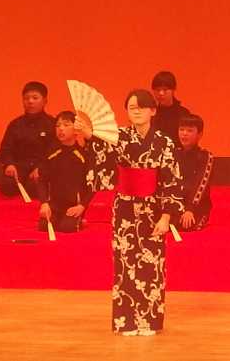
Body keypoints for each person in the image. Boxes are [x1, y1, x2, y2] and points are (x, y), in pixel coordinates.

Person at [80, 90, 183, 336]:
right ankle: (126, 321)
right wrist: (89, 135)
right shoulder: (118, 136)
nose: (136, 111)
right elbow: (103, 156)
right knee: (125, 264)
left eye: (141, 107)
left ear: (153, 111)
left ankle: (150, 321)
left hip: (153, 208)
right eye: (131, 107)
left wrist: (166, 216)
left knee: (152, 265)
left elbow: (171, 180)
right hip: (125, 207)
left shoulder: (164, 142)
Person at [0, 81, 55, 199]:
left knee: (34, 189)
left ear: (45, 101)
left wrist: (42, 168)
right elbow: (5, 149)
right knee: (7, 186)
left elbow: (55, 152)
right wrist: (9, 164)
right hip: (20, 168)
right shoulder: (15, 124)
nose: (30, 101)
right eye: (26, 98)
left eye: (35, 98)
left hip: (41, 168)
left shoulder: (52, 124)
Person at [38, 111, 93, 233]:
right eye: (58, 125)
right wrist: (44, 203)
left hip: (74, 206)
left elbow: (92, 184)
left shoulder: (83, 156)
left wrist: (82, 206)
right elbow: (42, 180)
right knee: (44, 226)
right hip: (54, 205)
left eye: (66, 125)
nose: (61, 129)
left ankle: (79, 220)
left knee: (67, 228)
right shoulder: (51, 154)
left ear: (76, 130)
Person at [174, 114, 214, 232]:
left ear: (199, 134)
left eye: (190, 130)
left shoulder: (206, 156)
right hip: (176, 203)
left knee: (188, 225)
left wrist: (190, 209)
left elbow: (201, 184)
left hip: (197, 205)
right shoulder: (172, 154)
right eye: (181, 129)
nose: (184, 134)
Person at [150, 70, 191, 142]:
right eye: (157, 90)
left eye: (165, 90)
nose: (161, 93)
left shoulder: (183, 114)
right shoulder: (151, 114)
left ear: (173, 90)